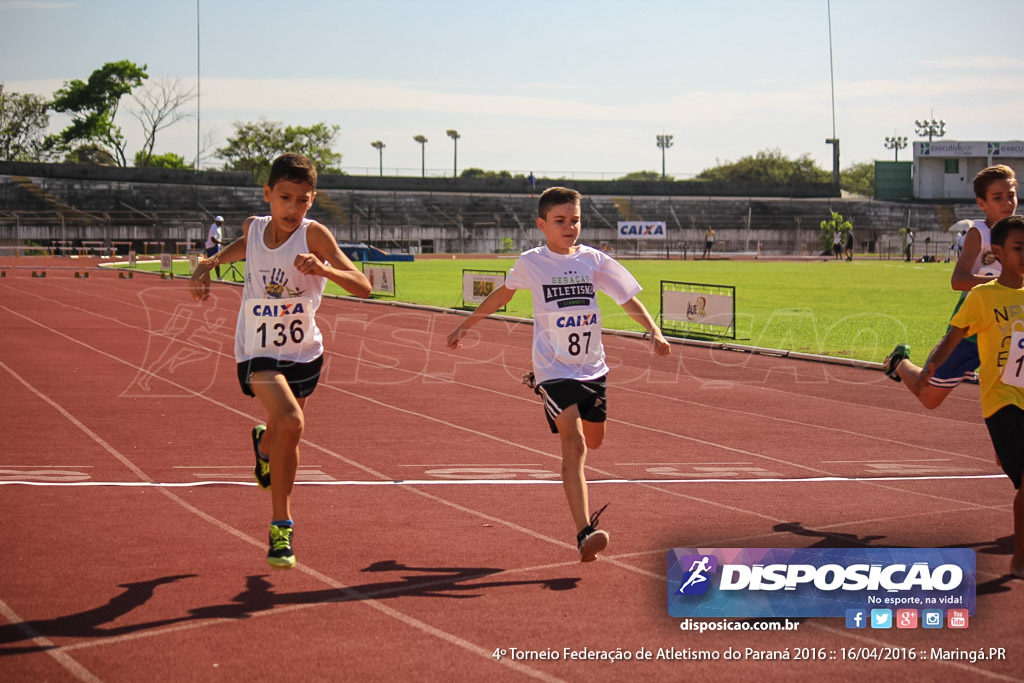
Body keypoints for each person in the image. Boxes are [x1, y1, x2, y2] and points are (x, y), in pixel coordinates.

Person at [446, 187, 671, 563]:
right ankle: (585, 532)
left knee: (595, 440)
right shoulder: (532, 262)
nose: (569, 227)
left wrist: (654, 330)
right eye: (560, 221)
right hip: (554, 369)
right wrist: (466, 325)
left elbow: (626, 298)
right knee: (576, 444)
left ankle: (542, 383)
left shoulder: (594, 260)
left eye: (575, 220)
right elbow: (504, 295)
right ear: (542, 224)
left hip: (593, 367)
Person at [189, 153, 372, 569]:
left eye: (303, 200)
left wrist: (325, 269)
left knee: (282, 433)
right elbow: (238, 249)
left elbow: (362, 286)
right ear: (268, 194)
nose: (293, 208)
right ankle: (281, 528)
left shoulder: (314, 235)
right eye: (285, 197)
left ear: (313, 200)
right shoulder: (253, 229)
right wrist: (206, 265)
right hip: (255, 350)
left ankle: (263, 446)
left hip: (304, 352)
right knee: (291, 421)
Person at [916, 215, 1024, 579]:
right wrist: (932, 364)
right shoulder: (983, 296)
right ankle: (1020, 561)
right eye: (1017, 248)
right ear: (998, 252)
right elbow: (955, 335)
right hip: (1002, 400)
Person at [883, 165, 1018, 409]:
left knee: (1009, 406)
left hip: (1008, 328)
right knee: (929, 396)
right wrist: (998, 284)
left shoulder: (1020, 233)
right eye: (998, 198)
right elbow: (958, 280)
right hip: (972, 326)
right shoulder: (980, 234)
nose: (1007, 203)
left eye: (1011, 195)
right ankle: (900, 362)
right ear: (982, 203)